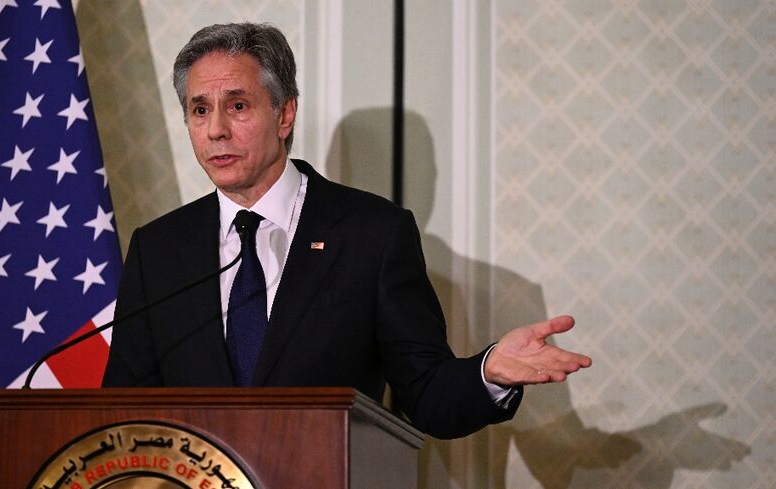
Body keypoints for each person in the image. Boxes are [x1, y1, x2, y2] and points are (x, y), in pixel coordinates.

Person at [102, 22, 591, 439]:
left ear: (284, 113)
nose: (215, 131)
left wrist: (487, 374)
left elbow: (425, 394)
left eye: (238, 105)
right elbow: (122, 412)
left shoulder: (372, 235)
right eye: (199, 109)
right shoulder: (159, 249)